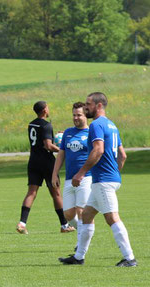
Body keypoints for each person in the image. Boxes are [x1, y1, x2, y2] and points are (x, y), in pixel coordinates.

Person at [59, 92, 137, 267]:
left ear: (99, 105)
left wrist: (81, 173)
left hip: (102, 180)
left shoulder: (96, 125)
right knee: (86, 215)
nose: (86, 107)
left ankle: (130, 258)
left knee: (112, 218)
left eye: (88, 104)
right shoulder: (112, 125)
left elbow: (98, 150)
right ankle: (79, 257)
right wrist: (114, 173)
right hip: (108, 179)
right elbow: (122, 155)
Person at [16, 101, 75, 234]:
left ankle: (22, 223)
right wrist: (61, 149)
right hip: (47, 162)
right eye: (47, 107)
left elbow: (41, 140)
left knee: (31, 192)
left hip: (33, 161)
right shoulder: (47, 125)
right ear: (44, 110)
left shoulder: (31, 124)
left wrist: (57, 137)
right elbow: (48, 146)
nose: (48, 109)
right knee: (56, 193)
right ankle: (64, 225)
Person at [52, 102, 91, 250]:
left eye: (79, 115)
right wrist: (54, 174)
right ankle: (86, 231)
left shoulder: (91, 133)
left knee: (81, 212)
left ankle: (80, 246)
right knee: (68, 214)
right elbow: (61, 155)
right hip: (69, 179)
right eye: (74, 115)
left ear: (85, 115)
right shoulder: (68, 133)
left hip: (85, 178)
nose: (76, 117)